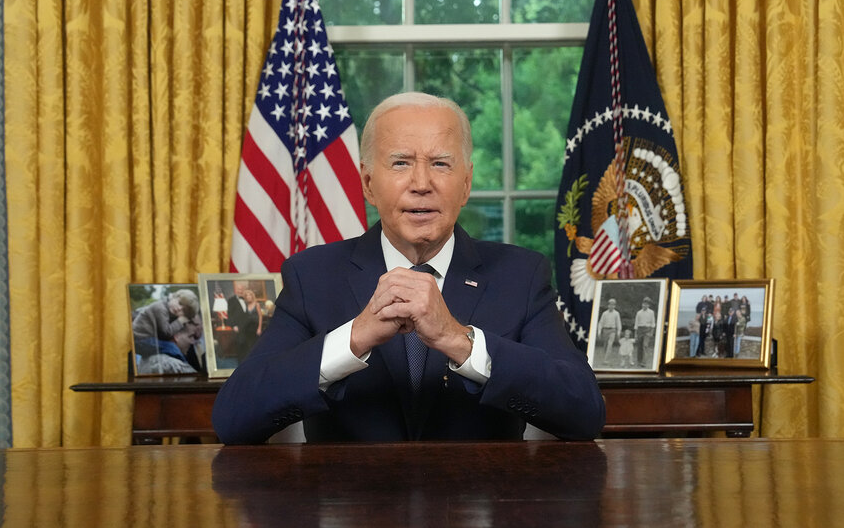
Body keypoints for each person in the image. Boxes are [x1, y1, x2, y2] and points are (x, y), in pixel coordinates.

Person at [212, 92, 605, 444]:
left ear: (466, 184)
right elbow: (234, 419)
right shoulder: (311, 276)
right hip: (350, 513)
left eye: (440, 164)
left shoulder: (520, 275)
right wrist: (354, 337)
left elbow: (585, 414)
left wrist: (459, 341)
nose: (421, 183)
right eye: (400, 163)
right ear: (368, 183)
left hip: (481, 511)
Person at [132, 289, 201, 374]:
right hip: (140, 339)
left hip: (145, 339)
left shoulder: (167, 309)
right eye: (180, 303)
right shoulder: (160, 308)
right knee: (171, 347)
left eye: (184, 311)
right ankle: (184, 366)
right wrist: (181, 320)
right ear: (173, 297)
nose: (179, 308)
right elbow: (166, 332)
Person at [597, 299, 622, 365]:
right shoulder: (605, 313)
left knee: (610, 345)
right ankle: (605, 357)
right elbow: (601, 323)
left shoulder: (616, 313)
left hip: (612, 330)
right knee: (605, 345)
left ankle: (606, 360)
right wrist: (599, 331)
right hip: (605, 330)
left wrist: (618, 332)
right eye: (610, 304)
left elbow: (618, 323)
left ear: (614, 306)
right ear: (608, 305)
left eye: (613, 305)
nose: (611, 306)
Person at [634, 297, 656, 366]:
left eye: (646, 304)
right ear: (642, 304)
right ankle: (639, 361)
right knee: (639, 346)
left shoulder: (651, 312)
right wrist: (635, 333)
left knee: (645, 345)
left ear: (648, 305)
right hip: (640, 330)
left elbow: (653, 323)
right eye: (643, 304)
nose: (644, 305)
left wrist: (651, 332)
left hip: (647, 330)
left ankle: (644, 362)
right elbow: (636, 323)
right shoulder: (639, 313)